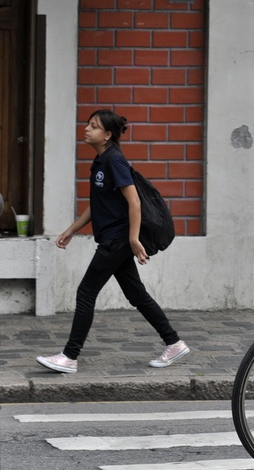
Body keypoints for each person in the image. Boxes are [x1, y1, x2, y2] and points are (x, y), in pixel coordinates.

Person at [36, 109, 189, 374]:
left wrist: (132, 239)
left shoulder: (114, 161)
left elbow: (134, 202)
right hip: (112, 239)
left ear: (107, 135)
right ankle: (174, 342)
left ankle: (70, 356)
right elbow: (98, 204)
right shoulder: (101, 160)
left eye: (93, 126)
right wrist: (72, 229)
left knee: (86, 292)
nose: (86, 129)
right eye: (87, 124)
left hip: (116, 241)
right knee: (136, 294)